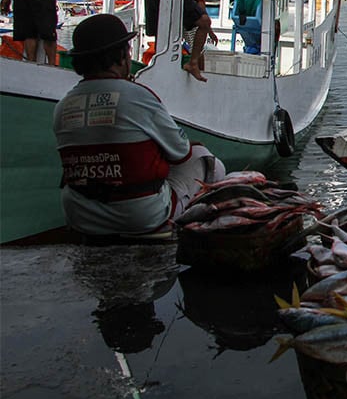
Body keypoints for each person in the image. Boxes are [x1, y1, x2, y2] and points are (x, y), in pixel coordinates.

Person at [52, 14, 226, 236]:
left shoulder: (63, 105)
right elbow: (181, 153)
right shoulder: (136, 96)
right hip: (141, 217)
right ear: (122, 57)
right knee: (204, 157)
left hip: (81, 217)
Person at [181, 0, 218, 77]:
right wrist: (209, 30)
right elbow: (201, 6)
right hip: (191, 21)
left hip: (180, 19)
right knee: (198, 50)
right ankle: (198, 70)